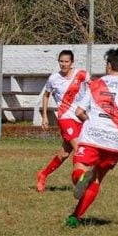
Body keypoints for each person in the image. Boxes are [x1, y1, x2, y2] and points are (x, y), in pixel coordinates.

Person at [65, 47, 118, 228]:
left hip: (93, 136)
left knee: (79, 173)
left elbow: (79, 112)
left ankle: (82, 178)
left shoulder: (96, 84)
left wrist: (89, 120)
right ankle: (74, 217)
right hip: (116, 140)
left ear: (109, 65)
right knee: (97, 179)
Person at [36, 50, 87, 192]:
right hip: (65, 118)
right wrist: (45, 116)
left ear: (72, 63)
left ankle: (42, 174)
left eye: (66, 61)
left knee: (64, 153)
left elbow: (94, 87)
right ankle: (80, 182)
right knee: (80, 150)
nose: (63, 64)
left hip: (80, 117)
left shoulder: (81, 74)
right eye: (61, 61)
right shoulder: (53, 79)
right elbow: (46, 96)